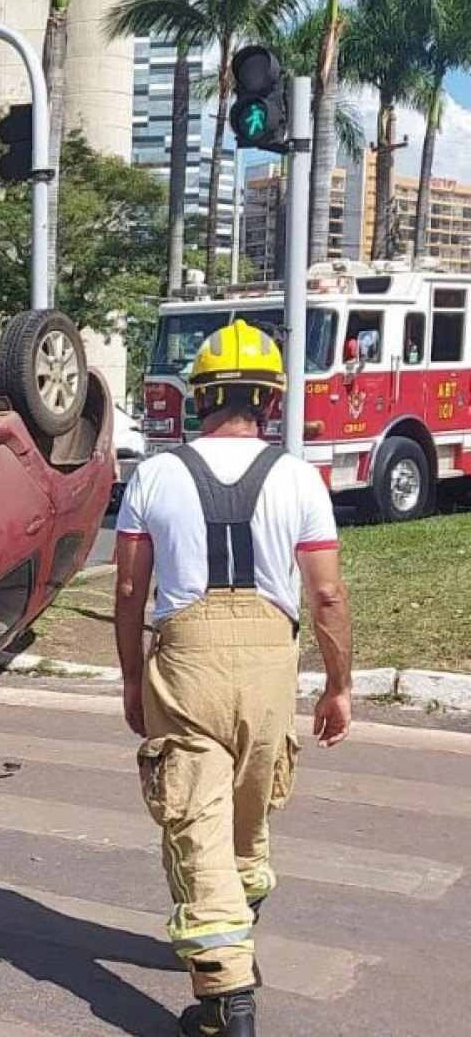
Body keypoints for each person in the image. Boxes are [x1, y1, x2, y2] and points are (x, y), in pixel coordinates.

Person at [113, 319, 353, 1037]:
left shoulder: (155, 474)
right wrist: (338, 686)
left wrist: (131, 678)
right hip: (271, 660)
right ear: (270, 401)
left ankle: (226, 998)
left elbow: (130, 592)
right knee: (249, 813)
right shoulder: (299, 477)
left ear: (200, 398)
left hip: (187, 662)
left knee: (196, 816)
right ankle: (239, 920)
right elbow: (328, 596)